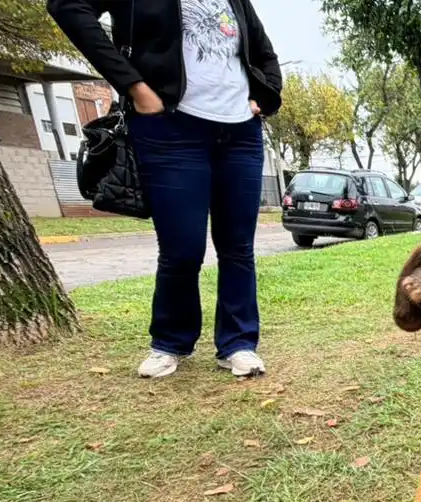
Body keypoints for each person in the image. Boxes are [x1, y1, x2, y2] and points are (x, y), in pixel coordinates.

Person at [49, 0, 282, 379]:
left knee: (238, 246)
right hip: (170, 129)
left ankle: (239, 343)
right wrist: (134, 86)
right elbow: (68, 7)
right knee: (182, 248)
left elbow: (263, 50)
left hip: (239, 132)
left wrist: (265, 96)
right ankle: (169, 342)